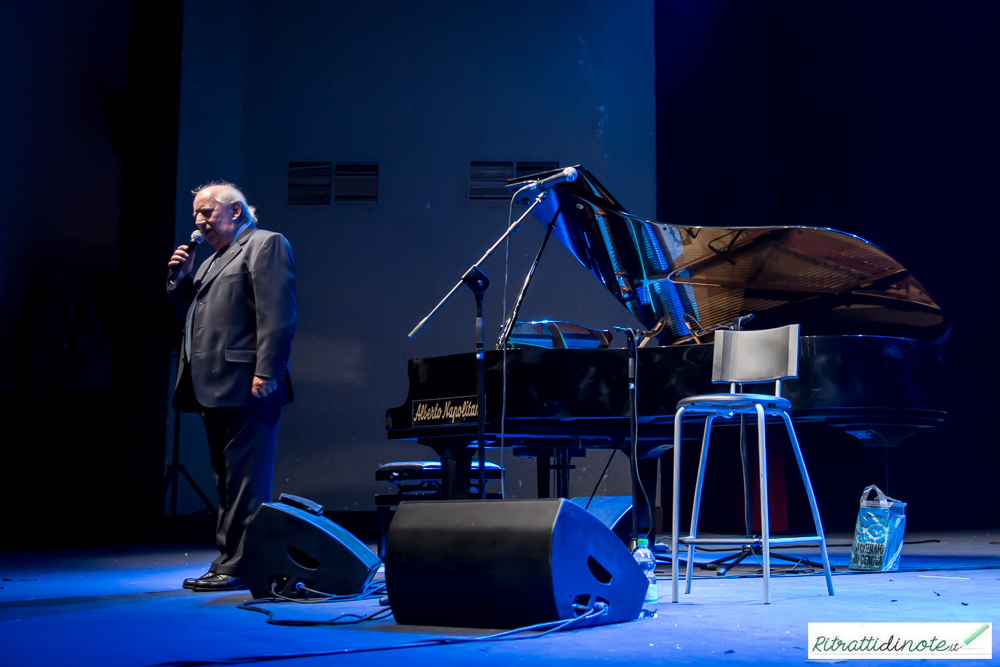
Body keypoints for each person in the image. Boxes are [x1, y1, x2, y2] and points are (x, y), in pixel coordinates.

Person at [167, 182, 296, 591]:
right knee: (227, 480)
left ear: (236, 212)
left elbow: (278, 312)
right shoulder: (208, 263)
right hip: (214, 387)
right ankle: (230, 558)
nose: (200, 222)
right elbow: (197, 319)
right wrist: (181, 282)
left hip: (249, 383)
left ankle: (240, 566)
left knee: (246, 482)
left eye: (207, 213)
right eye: (196, 216)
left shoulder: (264, 245)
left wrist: (268, 369)